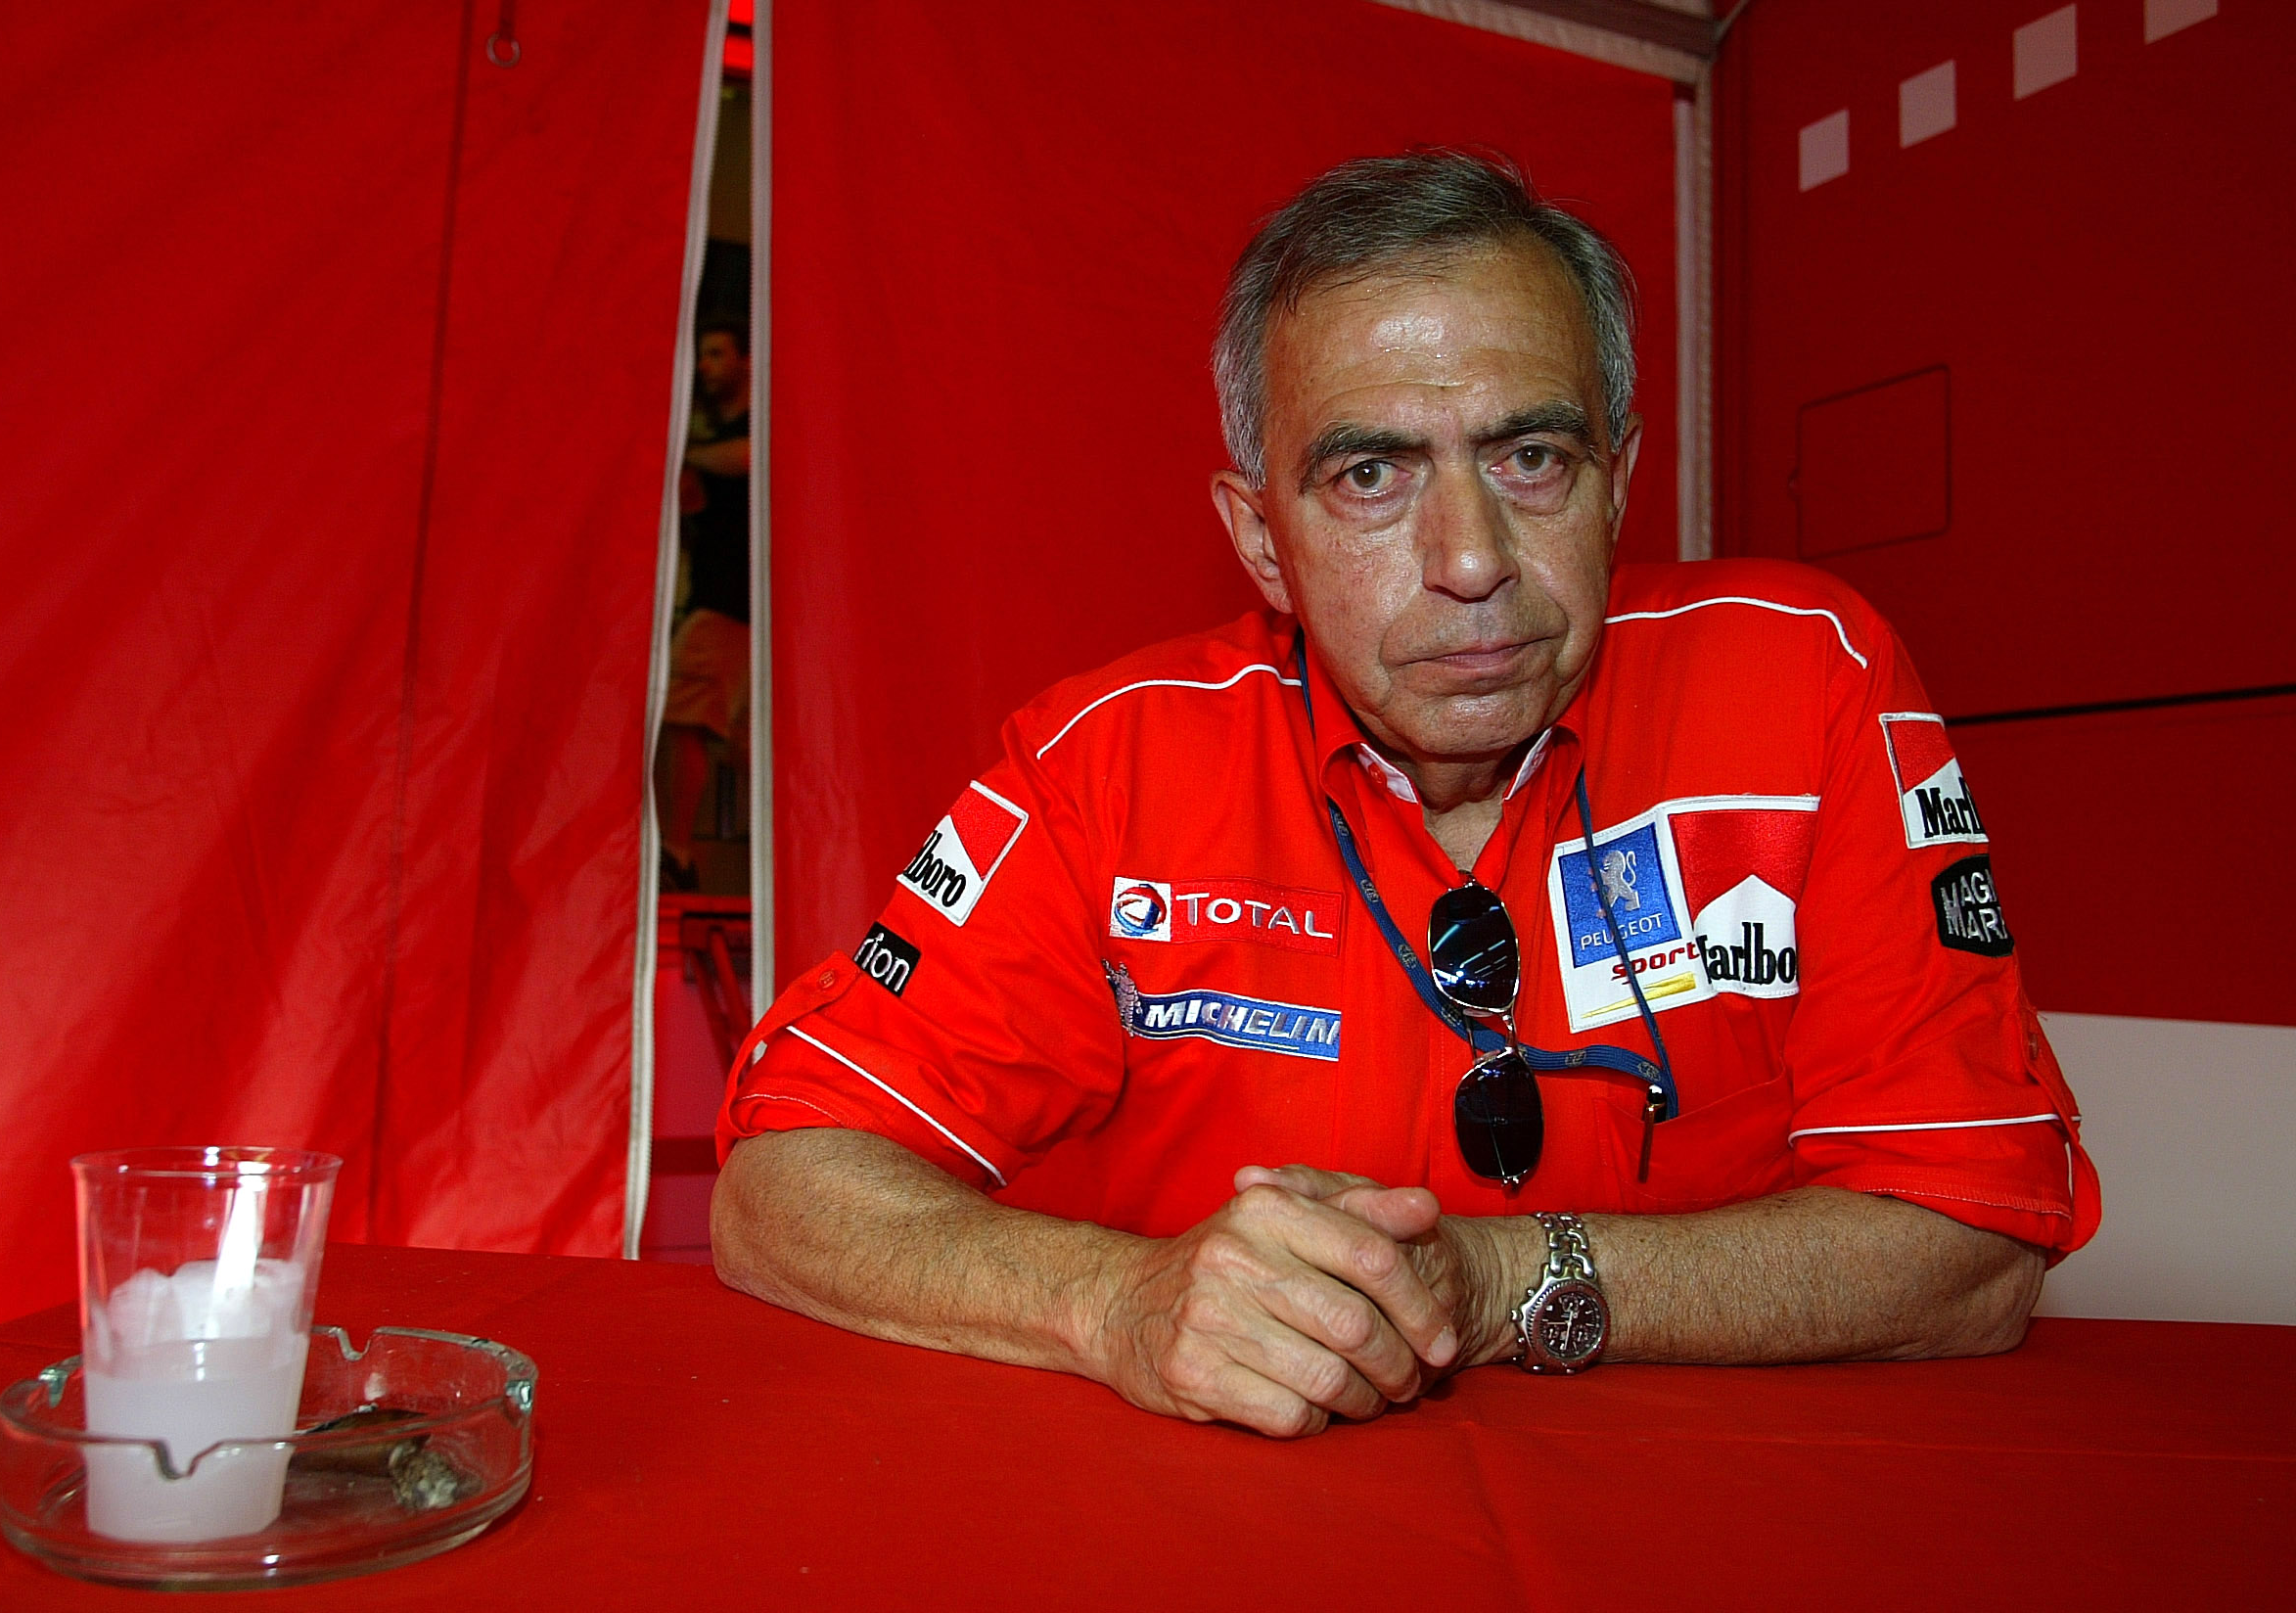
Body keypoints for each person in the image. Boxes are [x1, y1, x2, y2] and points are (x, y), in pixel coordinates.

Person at [710, 152, 2097, 1437]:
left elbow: (1972, 1243)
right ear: (1261, 537)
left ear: (1618, 482)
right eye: (1371, 475)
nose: (1471, 558)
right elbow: (783, 1187)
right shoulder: (1105, 762)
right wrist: (1116, 1302)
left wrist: (1502, 1281)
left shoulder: (1810, 681)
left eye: (1530, 458)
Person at [662, 319, 755, 884]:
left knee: (683, 719)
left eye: (717, 353)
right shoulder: (716, 435)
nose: (706, 366)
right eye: (703, 355)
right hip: (738, 607)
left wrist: (687, 453)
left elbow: (748, 457)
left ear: (746, 360)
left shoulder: (756, 424)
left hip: (727, 603)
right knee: (740, 743)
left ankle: (677, 852)